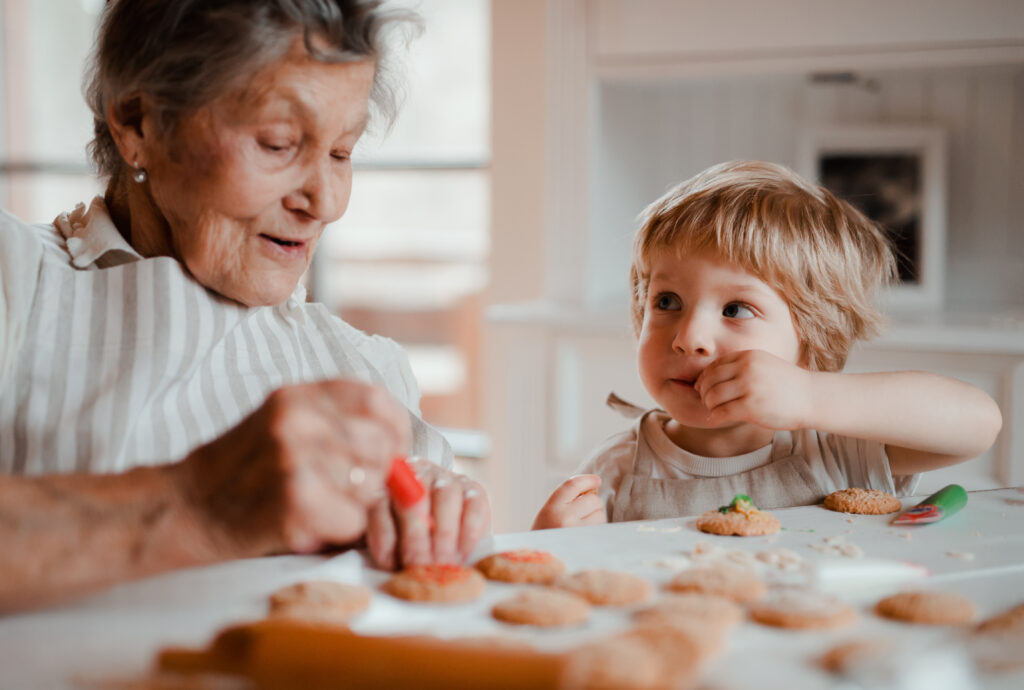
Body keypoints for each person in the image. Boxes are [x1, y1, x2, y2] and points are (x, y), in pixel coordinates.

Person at [0, 0, 488, 612]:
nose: (327, 201)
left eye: (342, 152)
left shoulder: (370, 372)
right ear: (138, 124)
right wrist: (198, 506)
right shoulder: (16, 281)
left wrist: (441, 518)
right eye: (278, 143)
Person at [533, 160, 1002, 528]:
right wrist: (557, 543)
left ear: (812, 340)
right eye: (668, 300)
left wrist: (809, 395)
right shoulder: (616, 471)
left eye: (735, 309)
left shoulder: (841, 448)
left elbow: (979, 424)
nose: (689, 338)